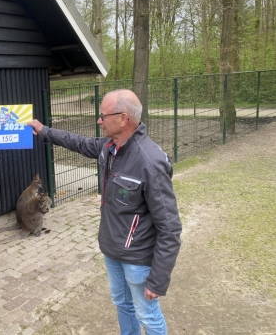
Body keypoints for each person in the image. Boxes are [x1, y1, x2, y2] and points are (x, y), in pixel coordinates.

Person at [27, 89, 182, 335]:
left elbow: (170, 226)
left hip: (138, 258)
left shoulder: (149, 161)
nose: (99, 120)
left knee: (148, 315)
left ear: (123, 119)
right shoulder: (108, 147)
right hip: (112, 250)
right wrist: (44, 130)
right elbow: (78, 142)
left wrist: (159, 276)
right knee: (123, 305)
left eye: (103, 115)